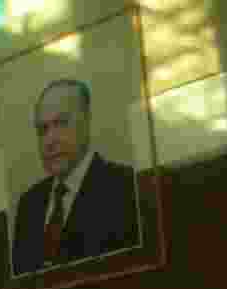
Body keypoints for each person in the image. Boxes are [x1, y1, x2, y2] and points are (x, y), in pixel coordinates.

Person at [10, 79, 140, 276]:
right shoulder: (29, 204)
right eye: (42, 130)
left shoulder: (127, 187)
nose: (50, 140)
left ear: (86, 122)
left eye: (61, 123)